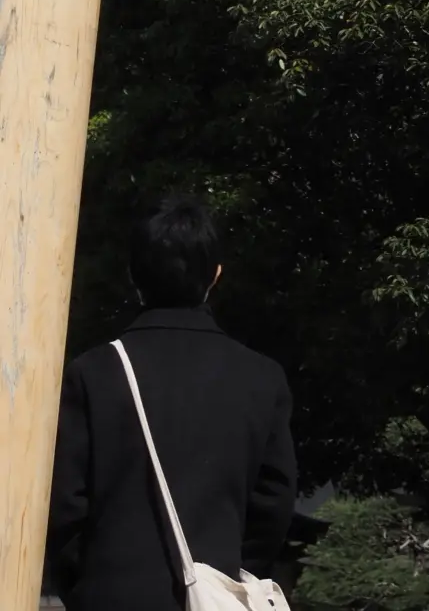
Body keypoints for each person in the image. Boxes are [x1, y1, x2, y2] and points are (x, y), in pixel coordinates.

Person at [46, 193, 297, 610]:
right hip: (212, 591)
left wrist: (88, 584)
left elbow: (65, 506)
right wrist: (222, 572)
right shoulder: (262, 378)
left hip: (110, 595)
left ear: (133, 275)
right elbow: (273, 508)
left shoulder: (94, 372)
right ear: (216, 274)